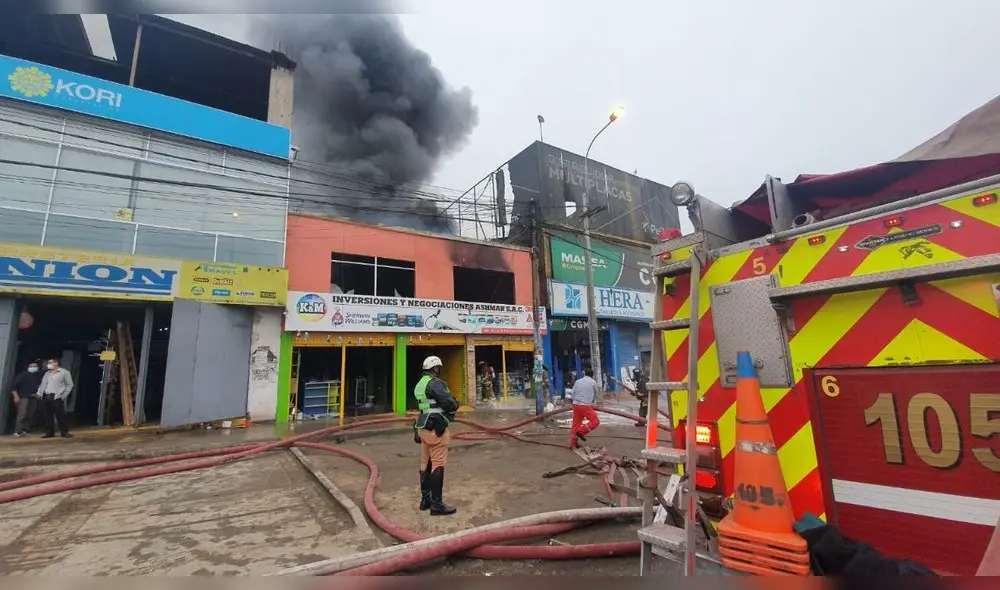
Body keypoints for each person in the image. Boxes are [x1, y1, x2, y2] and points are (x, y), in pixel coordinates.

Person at [413, 355, 460, 516]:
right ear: (435, 368)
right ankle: (437, 505)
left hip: (423, 428)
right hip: (436, 429)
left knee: (425, 464)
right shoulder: (434, 383)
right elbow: (448, 403)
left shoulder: (420, 383)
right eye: (438, 368)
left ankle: (425, 501)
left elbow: (423, 407)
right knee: (438, 464)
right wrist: (456, 403)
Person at [36, 358, 73, 439]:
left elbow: (69, 385)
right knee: (47, 415)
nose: (48, 364)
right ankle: (49, 432)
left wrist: (63, 395)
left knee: (60, 415)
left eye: (50, 362)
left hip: (57, 396)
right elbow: (42, 384)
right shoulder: (47, 373)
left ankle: (64, 432)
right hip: (46, 395)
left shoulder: (64, 372)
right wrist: (39, 393)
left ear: (56, 363)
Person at [9, 360, 43, 437]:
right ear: (28, 367)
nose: (34, 367)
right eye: (32, 366)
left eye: (35, 366)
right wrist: (16, 396)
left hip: (33, 397)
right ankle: (17, 430)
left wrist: (38, 394)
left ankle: (25, 429)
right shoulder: (22, 375)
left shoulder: (37, 376)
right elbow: (13, 386)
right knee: (22, 414)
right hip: (23, 397)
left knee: (30, 414)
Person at [569, 368, 601, 448]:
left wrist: (575, 401)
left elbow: (573, 394)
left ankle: (573, 444)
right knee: (595, 421)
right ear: (592, 375)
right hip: (585, 406)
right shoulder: (593, 382)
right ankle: (581, 431)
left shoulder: (578, 381)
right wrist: (592, 401)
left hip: (575, 405)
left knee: (576, 424)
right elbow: (596, 395)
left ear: (585, 374)